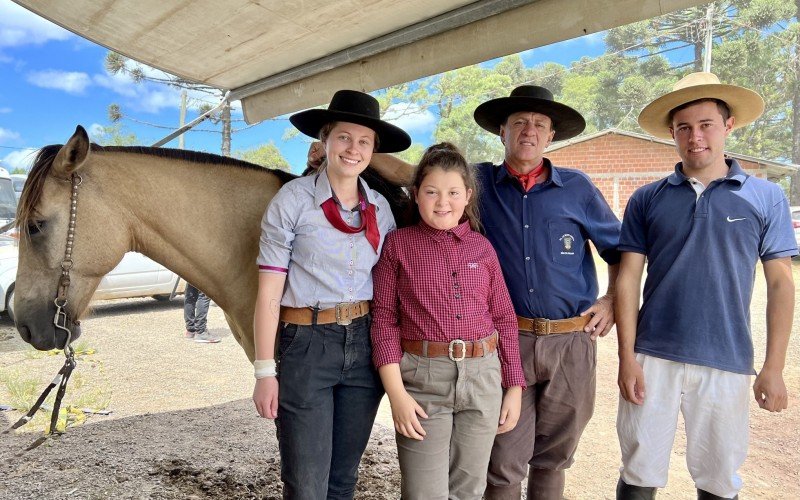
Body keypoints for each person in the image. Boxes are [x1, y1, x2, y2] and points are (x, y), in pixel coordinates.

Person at [312, 85, 622, 499]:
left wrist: (615, 298)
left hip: (566, 341)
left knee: (553, 457)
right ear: (501, 132)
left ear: (551, 136)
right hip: (486, 349)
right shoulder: (473, 184)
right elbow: (423, 172)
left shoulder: (576, 190)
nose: (528, 132)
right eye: (518, 123)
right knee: (502, 461)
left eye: (539, 125)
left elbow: (619, 249)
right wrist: (344, 153)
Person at [615, 72, 797, 500]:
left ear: (728, 125)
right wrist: (626, 357)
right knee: (639, 472)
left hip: (726, 357)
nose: (694, 137)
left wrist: (774, 367)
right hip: (653, 354)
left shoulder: (765, 198)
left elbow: (781, 285)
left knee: (718, 479)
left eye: (705, 125)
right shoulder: (647, 198)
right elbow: (627, 278)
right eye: (683, 128)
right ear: (673, 134)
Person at [252, 89, 411, 499]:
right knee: (306, 484)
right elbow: (269, 291)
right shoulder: (292, 202)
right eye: (343, 137)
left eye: (364, 141)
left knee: (343, 479)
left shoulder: (380, 208)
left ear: (373, 150)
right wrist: (264, 371)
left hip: (364, 341)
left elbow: (393, 286)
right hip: (305, 344)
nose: (353, 149)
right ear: (324, 140)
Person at [371, 142, 525, 499]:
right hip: (424, 381)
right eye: (432, 192)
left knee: (469, 491)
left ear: (467, 195)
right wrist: (396, 395)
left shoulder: (482, 248)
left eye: (453, 192)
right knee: (424, 493)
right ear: (416, 195)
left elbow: (503, 317)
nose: (443, 202)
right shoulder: (398, 245)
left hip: (483, 379)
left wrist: (514, 387)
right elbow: (383, 321)